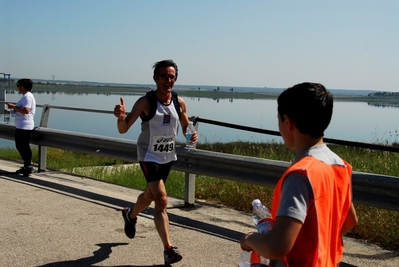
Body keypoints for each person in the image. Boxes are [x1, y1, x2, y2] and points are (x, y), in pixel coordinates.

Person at [240, 82, 358, 266]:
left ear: (288, 122)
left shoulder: (300, 174)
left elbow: (277, 246)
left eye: (279, 120)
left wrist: (249, 239)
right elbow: (349, 220)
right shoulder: (339, 165)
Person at [113, 59, 198, 265]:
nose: (168, 80)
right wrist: (120, 117)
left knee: (150, 196)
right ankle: (168, 250)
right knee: (161, 199)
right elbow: (123, 129)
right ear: (155, 78)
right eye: (163, 76)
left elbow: (187, 128)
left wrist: (191, 136)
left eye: (171, 77)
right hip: (148, 156)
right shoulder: (146, 102)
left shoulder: (179, 102)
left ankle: (130, 215)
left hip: (167, 157)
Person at [7, 78, 36, 176]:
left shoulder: (27, 97)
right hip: (22, 125)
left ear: (22, 86)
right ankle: (27, 166)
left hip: (24, 125)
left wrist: (13, 106)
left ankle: (28, 167)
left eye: (18, 85)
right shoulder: (26, 96)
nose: (17, 87)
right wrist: (11, 111)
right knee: (22, 146)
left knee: (22, 146)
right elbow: (22, 110)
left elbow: (26, 111)